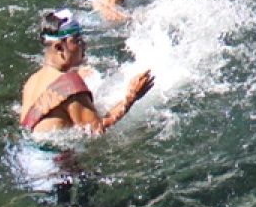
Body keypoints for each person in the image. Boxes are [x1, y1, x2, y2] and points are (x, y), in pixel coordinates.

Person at [19, 10, 155, 134]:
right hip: (54, 160)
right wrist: (131, 97)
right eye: (77, 40)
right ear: (59, 47)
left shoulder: (32, 81)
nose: (84, 44)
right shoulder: (69, 85)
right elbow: (98, 130)